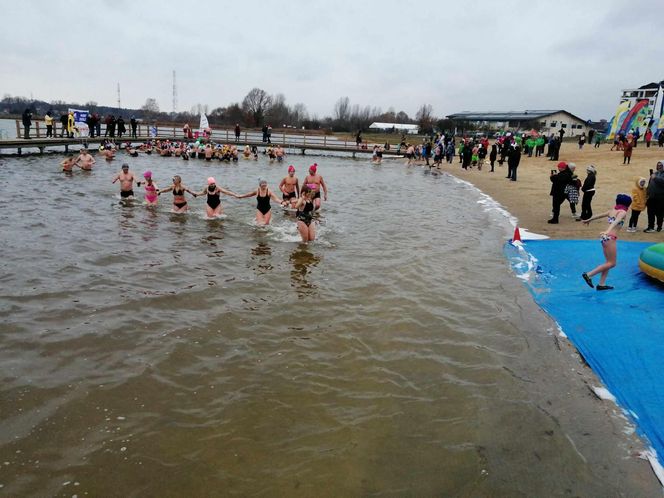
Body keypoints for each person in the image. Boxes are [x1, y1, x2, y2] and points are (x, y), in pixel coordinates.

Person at [582, 194, 632, 291]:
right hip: (610, 238)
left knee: (608, 262)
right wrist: (607, 231)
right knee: (612, 263)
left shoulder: (612, 211)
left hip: (605, 238)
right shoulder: (622, 212)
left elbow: (599, 215)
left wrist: (589, 219)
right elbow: (616, 221)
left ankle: (601, 284)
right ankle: (588, 275)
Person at [644, 160, 664, 232]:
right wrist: (647, 193)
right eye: (658, 165)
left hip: (660, 198)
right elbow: (650, 184)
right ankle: (650, 227)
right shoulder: (654, 174)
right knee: (650, 212)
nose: (659, 167)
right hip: (651, 197)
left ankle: (659, 226)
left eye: (661, 165)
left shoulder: (656, 175)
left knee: (659, 213)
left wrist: (655, 178)